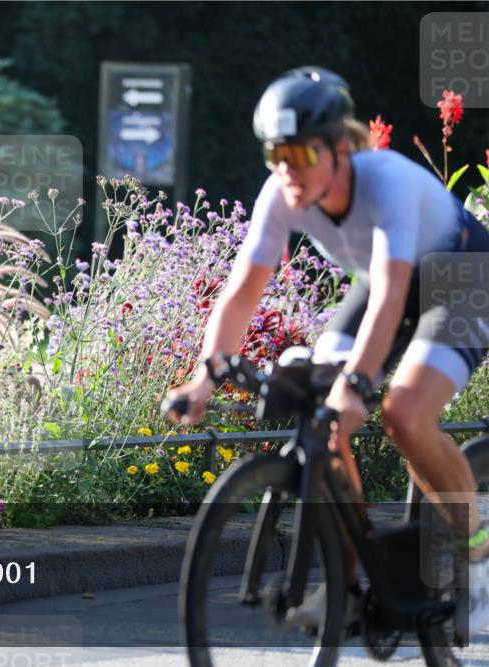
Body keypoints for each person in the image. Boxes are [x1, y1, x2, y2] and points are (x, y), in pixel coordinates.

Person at [164, 66, 489, 636]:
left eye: (303, 155)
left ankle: (477, 550)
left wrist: (356, 383)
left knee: (405, 414)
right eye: (276, 156)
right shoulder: (282, 192)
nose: (289, 171)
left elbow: (390, 296)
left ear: (340, 149)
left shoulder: (384, 180)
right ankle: (353, 575)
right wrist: (203, 377)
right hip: (386, 284)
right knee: (326, 419)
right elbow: (242, 291)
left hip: (461, 279)